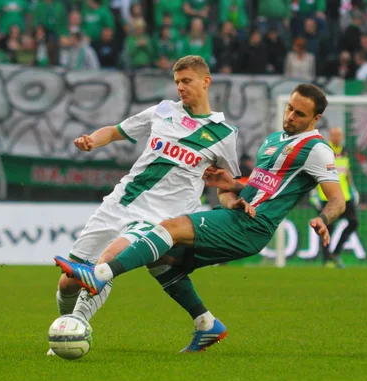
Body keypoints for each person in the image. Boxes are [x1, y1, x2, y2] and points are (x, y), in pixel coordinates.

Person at [55, 83, 346, 352]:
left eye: (300, 113)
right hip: (237, 215)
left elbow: (337, 199)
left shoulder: (317, 150)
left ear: (315, 118)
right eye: (289, 108)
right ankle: (206, 324)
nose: (291, 115)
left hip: (254, 226)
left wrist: (323, 218)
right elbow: (262, 189)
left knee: (168, 227)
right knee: (159, 258)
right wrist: (231, 186)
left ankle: (99, 274)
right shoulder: (273, 140)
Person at [50, 55, 241, 354]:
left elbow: (226, 184)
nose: (180, 87)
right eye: (177, 82)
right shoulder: (163, 111)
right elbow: (115, 131)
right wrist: (92, 141)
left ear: (206, 82)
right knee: (68, 283)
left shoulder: (224, 134)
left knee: (105, 264)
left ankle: (74, 330)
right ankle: (65, 327)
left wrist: (233, 206)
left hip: (162, 217)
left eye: (187, 81)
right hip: (120, 202)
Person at [309, 127, 359, 268]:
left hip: (345, 196)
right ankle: (326, 260)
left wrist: (353, 188)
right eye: (334, 135)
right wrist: (313, 192)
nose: (336, 138)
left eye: (339, 135)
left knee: (354, 222)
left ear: (342, 136)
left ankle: (335, 253)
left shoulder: (345, 151)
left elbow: (346, 171)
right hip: (327, 196)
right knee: (326, 228)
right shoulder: (324, 150)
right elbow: (314, 171)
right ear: (330, 136)